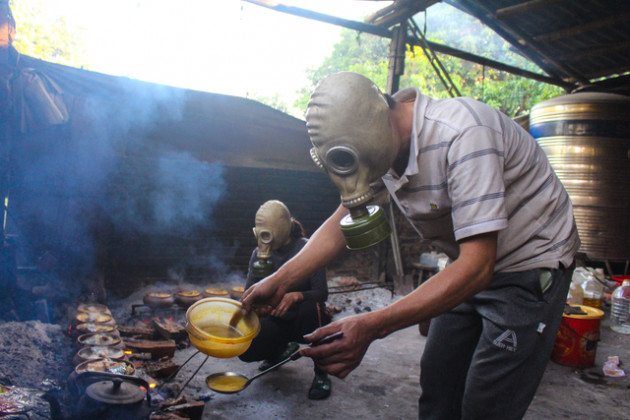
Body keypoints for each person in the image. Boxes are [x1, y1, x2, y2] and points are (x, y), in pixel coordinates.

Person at [241, 72, 581, 419]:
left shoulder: (463, 134)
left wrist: (374, 325)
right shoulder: (380, 147)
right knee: (437, 383)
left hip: (529, 262)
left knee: (486, 404)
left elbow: (478, 267)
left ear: (381, 121)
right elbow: (341, 224)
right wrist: (278, 280)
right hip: (468, 260)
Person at [238, 199, 333, 400]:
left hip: (304, 319)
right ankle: (278, 350)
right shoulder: (258, 253)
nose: (265, 240)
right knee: (246, 348)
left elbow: (321, 293)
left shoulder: (308, 249)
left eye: (268, 235)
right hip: (275, 318)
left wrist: (296, 295)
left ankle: (322, 374)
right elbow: (249, 293)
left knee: (311, 308)